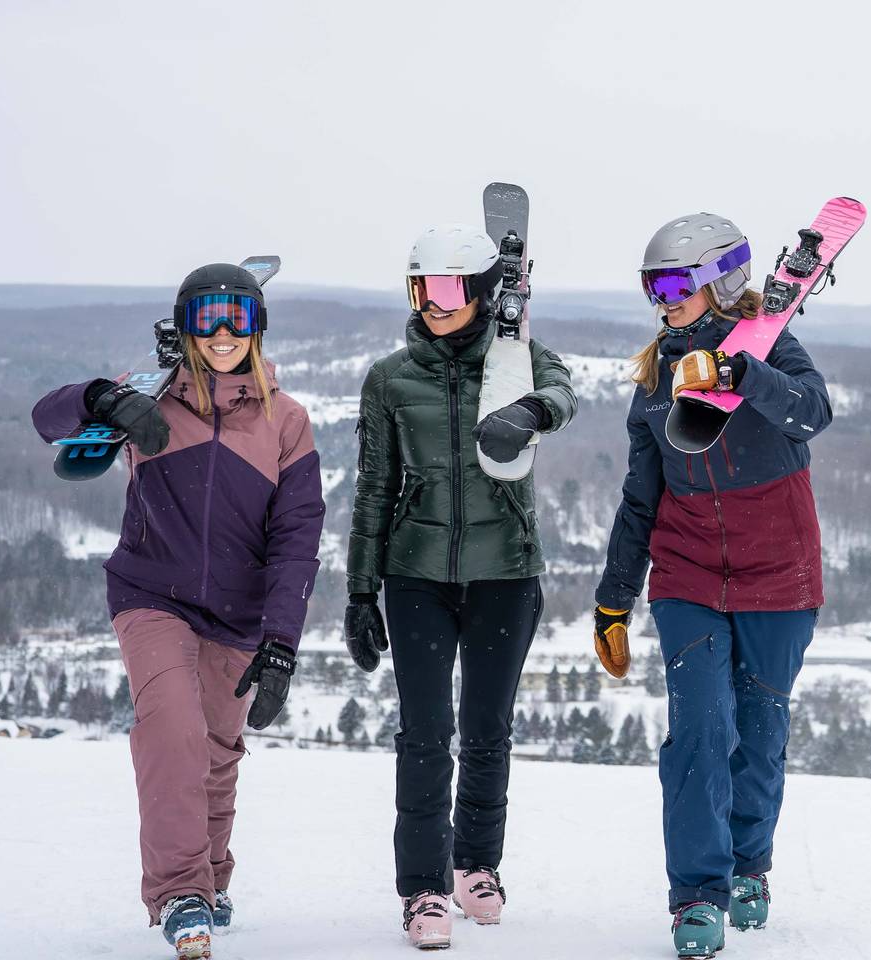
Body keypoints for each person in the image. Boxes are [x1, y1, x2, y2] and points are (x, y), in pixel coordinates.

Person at [31, 263, 324, 960]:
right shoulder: (151, 397)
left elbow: (297, 539)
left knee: (219, 754)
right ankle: (180, 892)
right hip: (150, 596)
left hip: (239, 614)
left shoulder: (287, 421)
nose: (223, 334)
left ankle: (211, 881)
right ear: (184, 327)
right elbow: (49, 419)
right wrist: (101, 398)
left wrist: (281, 639)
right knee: (174, 733)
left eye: (238, 319)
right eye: (206, 319)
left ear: (258, 328)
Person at [595, 212, 832, 959]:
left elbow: (813, 413)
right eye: (650, 286)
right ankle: (698, 895)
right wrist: (614, 598)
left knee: (760, 733)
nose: (660, 299)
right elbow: (641, 500)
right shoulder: (654, 383)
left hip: (779, 571)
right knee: (701, 727)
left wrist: (744, 375)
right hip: (688, 572)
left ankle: (748, 863)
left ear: (716, 281)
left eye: (672, 284)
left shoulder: (774, 343)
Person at [344, 224, 578, 950]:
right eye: (422, 289)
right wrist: (360, 591)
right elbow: (374, 484)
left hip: (505, 572)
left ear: (480, 291)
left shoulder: (518, 360)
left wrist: (532, 410)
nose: (433, 303)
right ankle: (422, 889)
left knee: (486, 731)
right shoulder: (390, 377)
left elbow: (564, 391)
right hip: (416, 576)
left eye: (448, 288)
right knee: (424, 735)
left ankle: (476, 864)